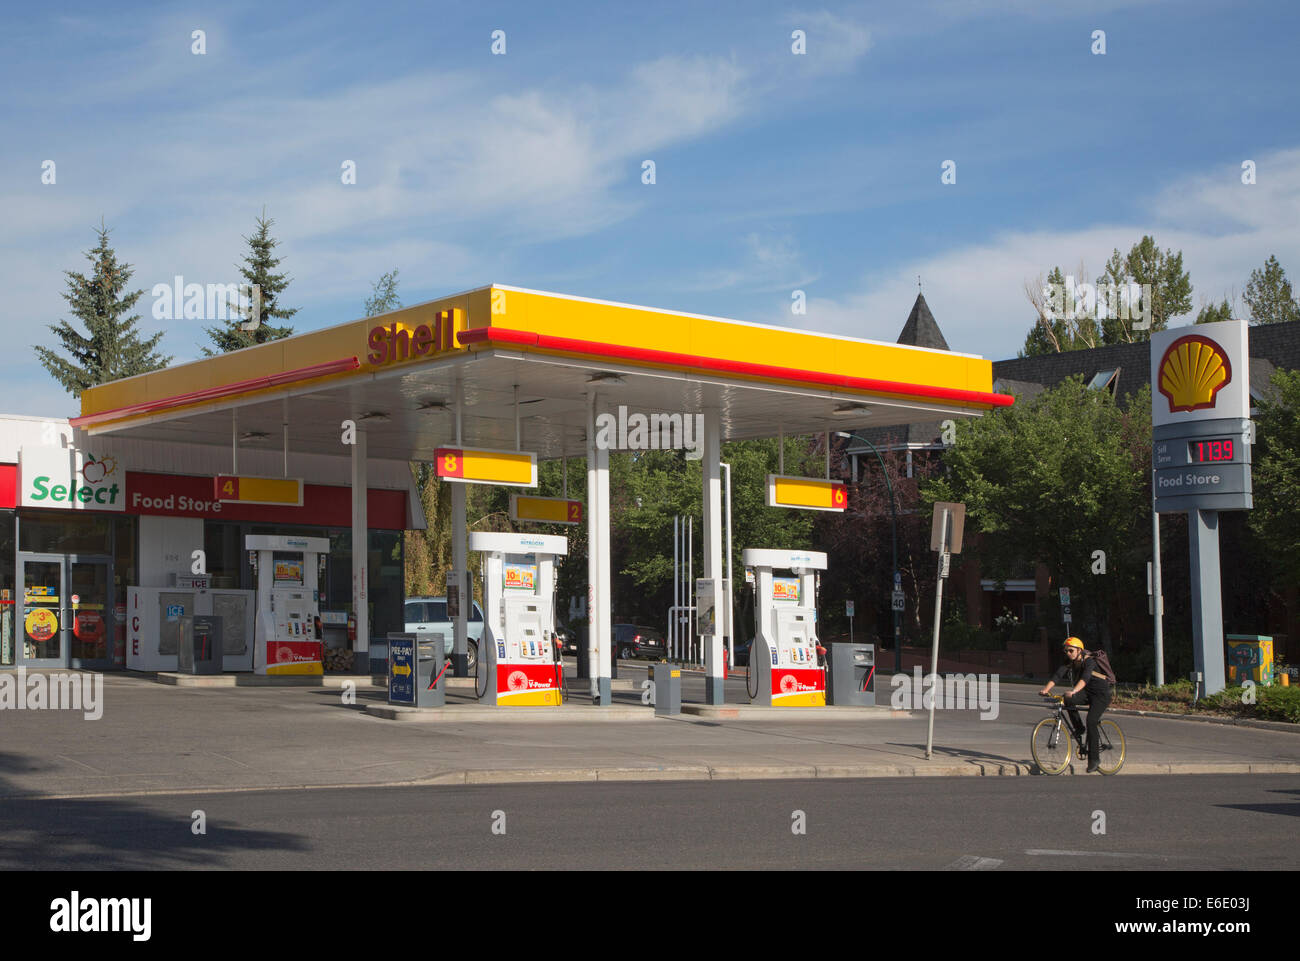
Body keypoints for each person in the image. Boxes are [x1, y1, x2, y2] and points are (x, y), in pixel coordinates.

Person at [1039, 636, 1112, 773]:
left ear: (1079, 650)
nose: (1068, 653)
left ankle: (1094, 760)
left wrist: (1073, 691)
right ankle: (1079, 728)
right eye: (1066, 651)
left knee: (1091, 720)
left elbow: (1085, 679)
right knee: (1067, 700)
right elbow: (1057, 675)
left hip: (1101, 695)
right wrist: (1046, 689)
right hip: (1087, 693)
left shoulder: (1089, 661)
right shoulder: (1069, 661)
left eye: (1071, 650)